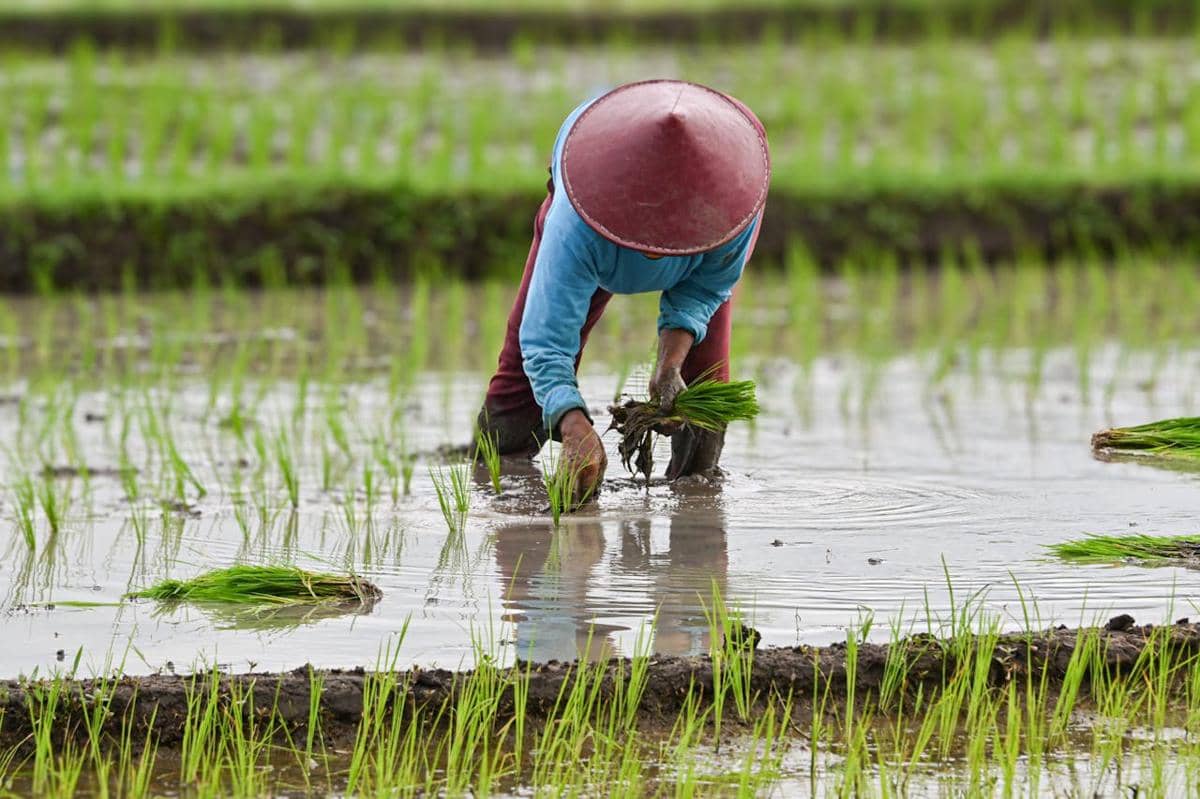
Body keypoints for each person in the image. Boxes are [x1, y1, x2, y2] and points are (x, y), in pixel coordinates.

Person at [477, 79, 770, 496]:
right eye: (644, 243)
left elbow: (706, 289)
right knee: (519, 386)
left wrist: (669, 366)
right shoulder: (576, 221)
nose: (654, 255)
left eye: (669, 245)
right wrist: (574, 426)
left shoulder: (734, 203)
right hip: (593, 226)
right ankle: (496, 482)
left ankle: (694, 513)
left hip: (712, 214)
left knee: (704, 390)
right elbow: (545, 342)